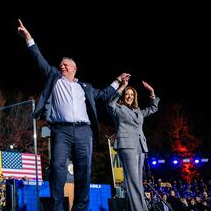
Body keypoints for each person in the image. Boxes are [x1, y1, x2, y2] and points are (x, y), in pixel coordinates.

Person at [17, 19, 129, 211]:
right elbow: (39, 59)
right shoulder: (54, 78)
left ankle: (80, 209)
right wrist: (29, 38)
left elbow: (103, 95)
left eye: (66, 65)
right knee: (58, 169)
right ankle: (57, 208)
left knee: (83, 172)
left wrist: (117, 81)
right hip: (62, 131)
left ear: (75, 68)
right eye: (61, 65)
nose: (63, 67)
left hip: (84, 132)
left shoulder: (84, 87)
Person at [107, 79, 160, 211]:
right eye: (127, 94)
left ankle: (139, 208)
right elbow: (110, 102)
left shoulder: (138, 111)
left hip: (140, 146)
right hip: (126, 145)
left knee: (138, 181)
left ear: (134, 97)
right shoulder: (118, 109)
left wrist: (152, 92)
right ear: (124, 96)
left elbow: (153, 108)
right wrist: (122, 86)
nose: (129, 96)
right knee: (133, 180)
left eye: (132, 94)